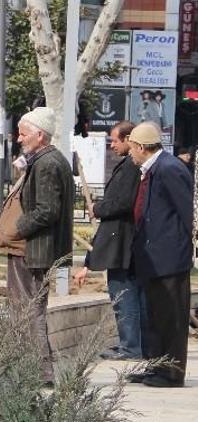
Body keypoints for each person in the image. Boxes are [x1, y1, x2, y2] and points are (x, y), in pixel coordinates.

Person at [126, 122, 192, 388]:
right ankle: (156, 366)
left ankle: (171, 372)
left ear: (141, 147)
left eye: (131, 147)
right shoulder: (153, 169)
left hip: (170, 258)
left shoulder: (170, 168)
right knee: (155, 316)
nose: (129, 153)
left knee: (171, 318)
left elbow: (186, 212)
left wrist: (183, 250)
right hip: (153, 257)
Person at [10, 107, 74, 384]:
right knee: (30, 309)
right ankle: (35, 370)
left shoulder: (48, 164)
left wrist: (19, 227)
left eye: (23, 134)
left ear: (39, 135)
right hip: (42, 248)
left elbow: (48, 210)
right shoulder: (46, 159)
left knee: (31, 310)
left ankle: (41, 372)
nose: (19, 138)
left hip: (39, 250)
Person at [72, 121, 143, 361]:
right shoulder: (127, 165)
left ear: (128, 139)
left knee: (124, 295)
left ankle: (131, 347)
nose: (112, 145)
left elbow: (124, 202)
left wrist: (98, 208)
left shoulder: (132, 167)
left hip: (123, 242)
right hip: (118, 240)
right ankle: (128, 343)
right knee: (122, 293)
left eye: (115, 141)